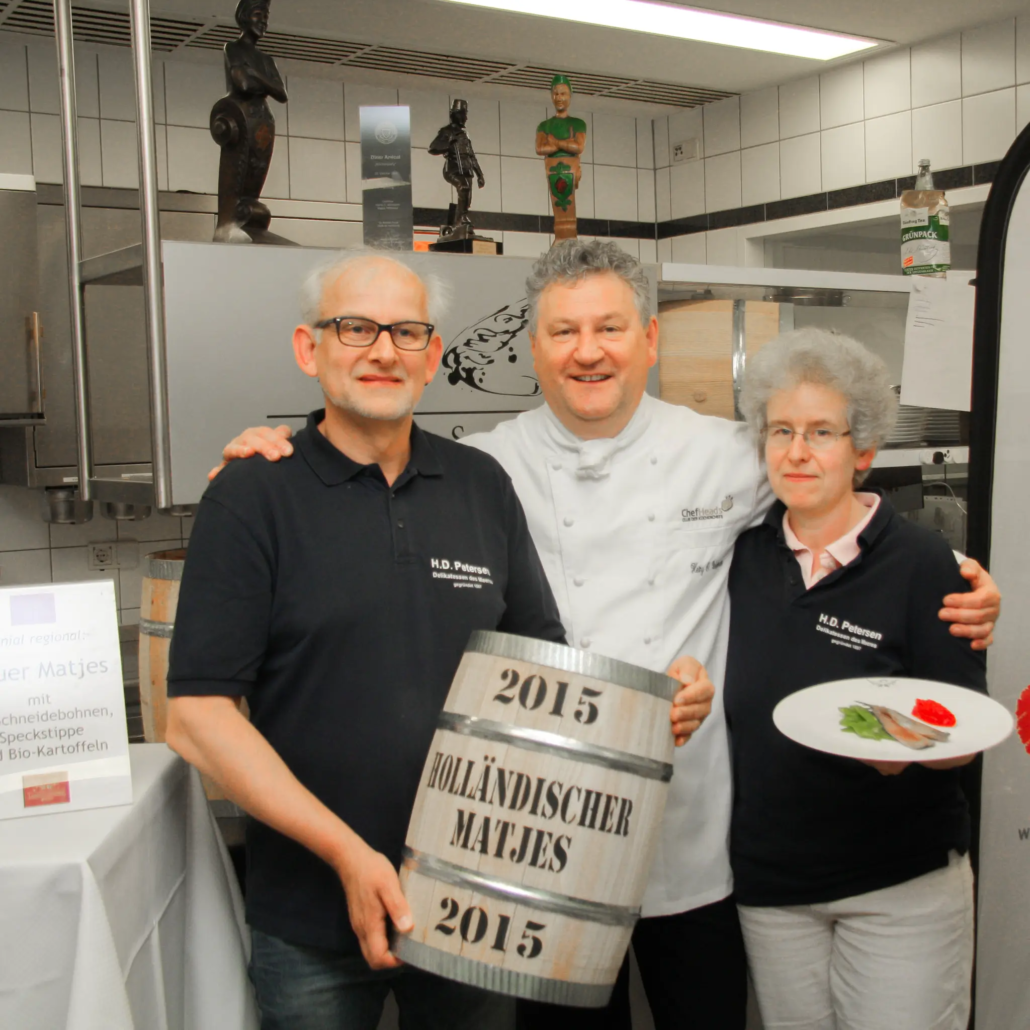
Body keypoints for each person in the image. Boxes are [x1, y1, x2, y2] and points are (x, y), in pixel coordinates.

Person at [218, 240, 1001, 1030]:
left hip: (694, 844)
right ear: (534, 349)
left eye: (610, 328)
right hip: (543, 845)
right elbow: (357, 487)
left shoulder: (730, 455)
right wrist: (266, 456)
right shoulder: (478, 471)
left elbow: (836, 500)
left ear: (650, 341)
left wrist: (952, 572)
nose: (587, 352)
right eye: (563, 332)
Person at [164, 254, 573, 1030]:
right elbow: (198, 715)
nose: (384, 350)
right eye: (356, 327)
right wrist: (349, 853)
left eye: (407, 331)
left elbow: (540, 670)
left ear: (433, 356)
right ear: (307, 347)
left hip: (468, 907)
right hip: (310, 919)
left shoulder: (481, 485)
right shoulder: (251, 496)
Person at [725, 328, 986, 1030]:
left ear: (863, 450)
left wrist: (911, 744)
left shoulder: (923, 562)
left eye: (821, 432)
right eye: (781, 430)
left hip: (897, 884)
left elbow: (964, 724)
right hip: (773, 886)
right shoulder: (740, 556)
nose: (797, 452)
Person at [536, 75, 587, 240]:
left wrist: (555, 142)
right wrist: (566, 143)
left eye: (563, 93)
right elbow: (540, 148)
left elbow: (578, 146)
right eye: (556, 94)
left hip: (570, 167)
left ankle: (568, 239)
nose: (559, 98)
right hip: (553, 168)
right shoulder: (544, 125)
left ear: (570, 96)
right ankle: (564, 239)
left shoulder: (578, 123)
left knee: (568, 214)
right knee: (560, 215)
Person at [428, 99, 485, 236]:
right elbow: (433, 148)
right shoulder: (447, 131)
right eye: (462, 114)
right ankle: (462, 219)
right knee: (463, 187)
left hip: (466, 171)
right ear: (455, 114)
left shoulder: (465, 135)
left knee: (466, 198)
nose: (465, 118)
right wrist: (448, 144)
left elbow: (471, 156)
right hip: (452, 169)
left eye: (465, 114)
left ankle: (458, 223)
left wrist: (480, 174)